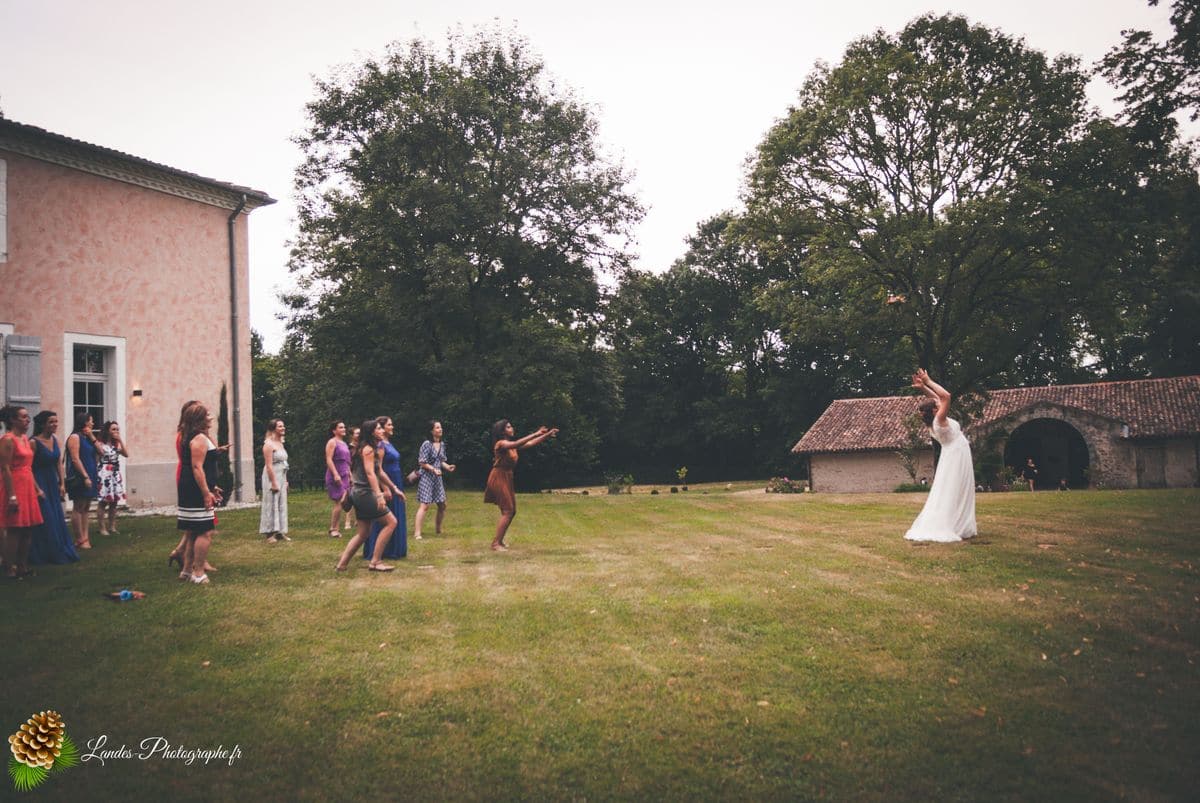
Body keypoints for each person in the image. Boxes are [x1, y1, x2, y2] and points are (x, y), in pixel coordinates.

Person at [904, 369, 976, 542]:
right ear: (935, 410)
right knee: (958, 488)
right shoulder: (939, 420)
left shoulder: (933, 423)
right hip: (957, 455)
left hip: (952, 455)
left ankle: (958, 524)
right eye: (936, 406)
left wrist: (923, 388)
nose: (938, 404)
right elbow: (945, 396)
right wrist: (928, 381)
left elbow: (937, 399)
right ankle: (954, 524)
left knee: (953, 489)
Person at [484, 420, 558, 551]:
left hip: (507, 477)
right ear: (502, 431)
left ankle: (499, 541)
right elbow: (517, 443)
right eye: (508, 427)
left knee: (511, 511)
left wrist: (546, 435)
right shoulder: (501, 444)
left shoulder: (511, 445)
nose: (512, 428)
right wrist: (536, 433)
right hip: (499, 477)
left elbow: (530, 443)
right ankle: (495, 544)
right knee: (508, 511)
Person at [335, 419, 397, 572]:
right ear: (371, 432)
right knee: (391, 522)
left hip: (358, 493)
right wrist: (379, 495)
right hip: (364, 494)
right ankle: (376, 562)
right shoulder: (368, 449)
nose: (382, 431)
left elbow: (379, 472)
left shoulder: (369, 448)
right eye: (379, 429)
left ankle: (342, 564)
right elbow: (370, 473)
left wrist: (394, 488)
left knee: (363, 533)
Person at [177, 402, 223, 584]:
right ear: (199, 419)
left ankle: (186, 571)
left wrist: (212, 487)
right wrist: (205, 493)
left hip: (192, 486)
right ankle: (198, 572)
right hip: (195, 490)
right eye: (207, 414)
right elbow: (197, 467)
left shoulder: (192, 436)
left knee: (193, 531)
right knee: (205, 531)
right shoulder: (199, 439)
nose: (210, 417)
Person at [28, 411, 78, 565]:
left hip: (52, 482)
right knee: (45, 517)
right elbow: (27, 468)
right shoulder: (33, 442)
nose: (55, 424)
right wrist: (37, 488)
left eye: (56, 421)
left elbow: (58, 463)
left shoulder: (55, 440)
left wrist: (62, 483)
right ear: (43, 424)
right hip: (39, 482)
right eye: (51, 422)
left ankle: (57, 548)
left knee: (56, 516)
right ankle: (43, 552)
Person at [1, 405, 45, 578]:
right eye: (24, 417)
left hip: (27, 485)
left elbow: (28, 467)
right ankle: (8, 567)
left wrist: (37, 489)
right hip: (14, 485)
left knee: (27, 528)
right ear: (13, 420)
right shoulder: (7, 439)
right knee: (14, 529)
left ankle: (22, 566)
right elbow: (5, 468)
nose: (28, 420)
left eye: (28, 417)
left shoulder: (26, 439)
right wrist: (12, 495)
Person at [363, 416, 407, 560]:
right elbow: (378, 469)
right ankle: (383, 550)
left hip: (395, 479)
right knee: (385, 517)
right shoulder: (380, 446)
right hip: (386, 481)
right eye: (389, 425)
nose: (392, 427)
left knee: (394, 514)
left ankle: (394, 547)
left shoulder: (388, 443)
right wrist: (386, 488)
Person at [413, 420, 456, 539]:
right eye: (437, 428)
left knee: (442, 505)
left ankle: (438, 529)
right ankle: (417, 533)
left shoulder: (442, 444)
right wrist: (433, 469)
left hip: (437, 478)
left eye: (440, 427)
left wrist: (448, 467)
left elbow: (441, 461)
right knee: (425, 505)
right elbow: (422, 462)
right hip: (426, 477)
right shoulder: (426, 444)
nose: (440, 429)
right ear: (431, 431)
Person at [65, 412, 102, 549]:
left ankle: (85, 537)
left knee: (86, 507)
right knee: (79, 507)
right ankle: (79, 539)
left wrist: (92, 436)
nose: (93, 423)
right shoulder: (75, 437)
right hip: (80, 475)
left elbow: (101, 452)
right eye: (91, 421)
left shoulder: (88, 437)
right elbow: (75, 459)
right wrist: (85, 476)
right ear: (85, 422)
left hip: (91, 473)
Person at [95, 421, 129, 535]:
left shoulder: (115, 445)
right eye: (113, 429)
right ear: (107, 431)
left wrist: (120, 440)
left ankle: (112, 527)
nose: (116, 431)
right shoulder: (100, 444)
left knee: (114, 502)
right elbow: (96, 459)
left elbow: (126, 454)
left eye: (117, 429)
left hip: (115, 473)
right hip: (104, 473)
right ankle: (102, 528)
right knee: (103, 502)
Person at [259, 419, 290, 543]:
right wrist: (273, 482)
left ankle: (280, 531)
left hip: (281, 475)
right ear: (273, 429)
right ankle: (269, 533)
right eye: (280, 426)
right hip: (271, 476)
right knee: (271, 503)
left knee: (281, 503)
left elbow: (284, 463)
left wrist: (285, 480)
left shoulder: (280, 443)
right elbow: (269, 465)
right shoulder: (268, 444)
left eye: (283, 426)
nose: (283, 428)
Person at [324, 420, 351, 537]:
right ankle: (333, 529)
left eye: (344, 427)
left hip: (345, 474)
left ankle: (336, 527)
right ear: (334, 430)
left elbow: (347, 461)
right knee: (339, 501)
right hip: (335, 474)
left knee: (344, 501)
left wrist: (350, 475)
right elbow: (329, 459)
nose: (344, 429)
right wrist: (335, 474)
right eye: (340, 427)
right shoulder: (332, 442)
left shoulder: (344, 443)